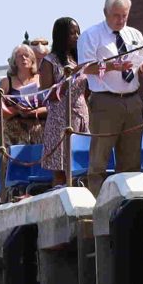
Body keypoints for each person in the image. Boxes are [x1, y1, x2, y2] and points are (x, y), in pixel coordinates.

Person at [78, 0, 143, 193]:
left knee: (131, 157)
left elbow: (140, 63)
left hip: (133, 99)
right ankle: (96, 201)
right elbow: (85, 68)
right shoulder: (91, 35)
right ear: (105, 13)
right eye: (116, 15)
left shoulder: (135, 34)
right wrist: (111, 66)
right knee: (100, 158)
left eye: (124, 16)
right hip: (105, 101)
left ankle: (129, 200)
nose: (120, 20)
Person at [38, 18, 87, 188]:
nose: (77, 36)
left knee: (82, 165)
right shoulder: (49, 61)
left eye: (78, 32)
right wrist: (68, 79)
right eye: (72, 33)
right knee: (60, 169)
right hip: (60, 119)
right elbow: (45, 94)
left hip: (81, 115)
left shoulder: (79, 59)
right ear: (61, 36)